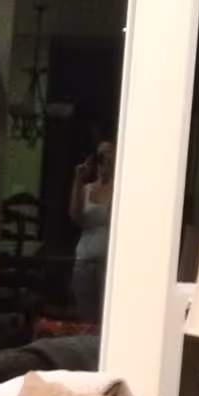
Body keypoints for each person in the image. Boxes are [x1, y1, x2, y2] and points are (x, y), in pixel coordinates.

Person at [69, 138, 115, 323]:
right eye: (100, 155)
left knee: (105, 317)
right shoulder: (87, 189)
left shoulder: (120, 188)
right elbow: (75, 216)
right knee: (87, 319)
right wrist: (78, 179)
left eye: (109, 154)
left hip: (107, 263)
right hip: (84, 261)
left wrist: (113, 175)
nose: (104, 160)